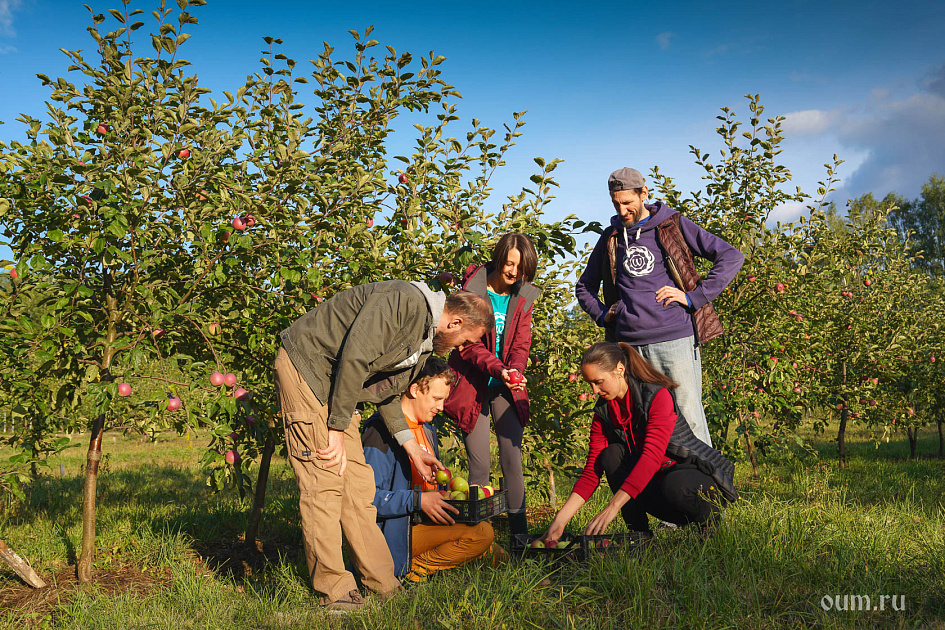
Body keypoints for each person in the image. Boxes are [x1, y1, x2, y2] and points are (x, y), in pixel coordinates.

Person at [274, 280, 492, 612]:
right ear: (456, 322)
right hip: (307, 370)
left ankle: (383, 583)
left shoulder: (424, 342)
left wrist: (411, 447)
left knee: (358, 487)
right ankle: (336, 591)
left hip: (337, 387)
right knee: (324, 482)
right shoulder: (404, 301)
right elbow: (355, 356)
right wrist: (336, 427)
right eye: (467, 340)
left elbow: (386, 392)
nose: (462, 347)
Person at [575, 167, 744, 446]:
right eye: (616, 203)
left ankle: (707, 487)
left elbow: (730, 257)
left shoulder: (672, 225)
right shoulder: (611, 237)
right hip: (628, 348)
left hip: (673, 339)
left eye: (628, 202)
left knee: (687, 416)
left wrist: (693, 297)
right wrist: (603, 315)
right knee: (644, 422)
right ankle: (659, 488)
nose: (622, 209)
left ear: (644, 194)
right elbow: (584, 287)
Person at [541, 342, 737, 543]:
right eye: (590, 383)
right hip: (658, 489)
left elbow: (651, 458)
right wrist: (560, 521)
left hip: (691, 481)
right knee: (610, 455)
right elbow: (592, 470)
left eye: (599, 381)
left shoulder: (656, 396)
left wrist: (612, 507)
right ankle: (640, 535)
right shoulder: (604, 412)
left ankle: (710, 523)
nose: (595, 390)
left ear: (619, 370)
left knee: (675, 484)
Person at [363, 357, 501, 584]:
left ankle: (529, 575)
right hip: (398, 531)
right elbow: (367, 499)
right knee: (481, 535)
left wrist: (458, 496)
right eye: (436, 399)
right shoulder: (380, 432)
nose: (441, 407)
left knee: (494, 550)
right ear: (415, 389)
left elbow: (429, 486)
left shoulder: (427, 429)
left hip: (424, 521)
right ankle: (411, 571)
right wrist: (418, 500)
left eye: (443, 400)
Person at [443, 233, 540, 536]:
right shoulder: (472, 289)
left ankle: (519, 536)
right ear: (499, 258)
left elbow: (521, 344)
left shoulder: (522, 297)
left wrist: (516, 372)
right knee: (480, 463)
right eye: (510, 264)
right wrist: (501, 370)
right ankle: (476, 536)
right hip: (473, 383)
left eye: (521, 268)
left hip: (505, 383)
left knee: (512, 456)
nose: (514, 272)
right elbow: (467, 345)